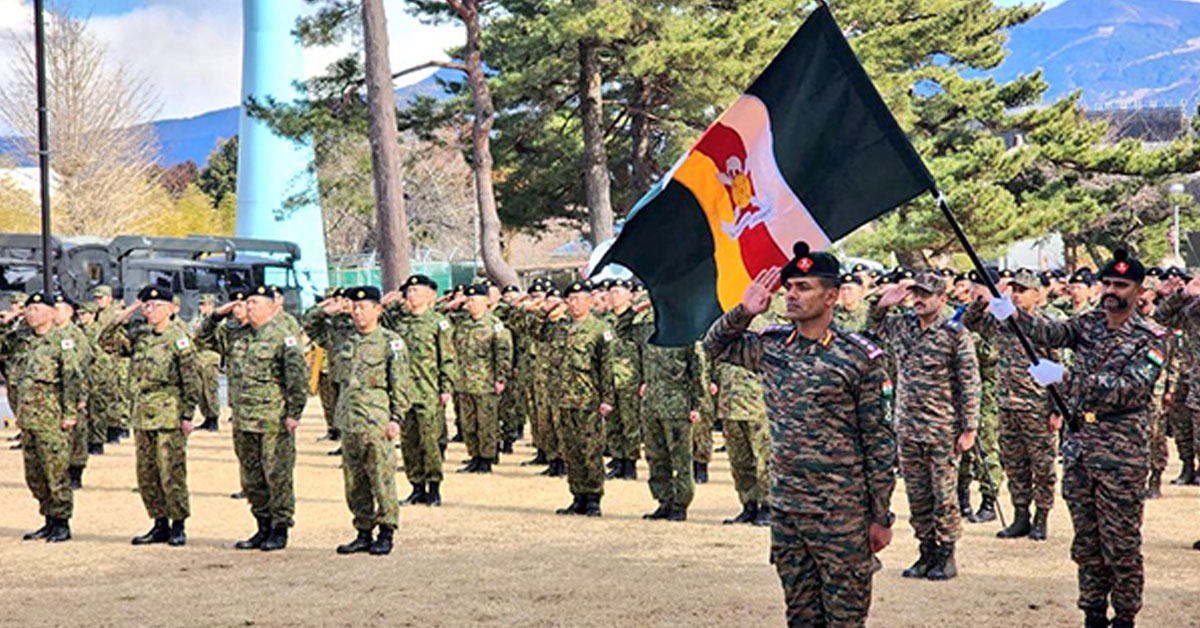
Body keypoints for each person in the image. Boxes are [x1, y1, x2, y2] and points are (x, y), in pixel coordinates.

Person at [704, 243, 895, 627]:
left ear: (832, 296)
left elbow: (878, 442)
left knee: (844, 619)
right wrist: (744, 311)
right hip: (789, 508)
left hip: (840, 512)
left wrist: (880, 515)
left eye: (803, 287)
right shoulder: (771, 347)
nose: (791, 294)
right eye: (789, 287)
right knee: (801, 617)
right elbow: (714, 347)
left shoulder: (859, 357)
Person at [1015, 250, 1165, 628]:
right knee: (1087, 540)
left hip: (1121, 451)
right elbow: (1052, 332)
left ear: (1139, 289)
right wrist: (1013, 314)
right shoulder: (1089, 324)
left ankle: (1125, 616)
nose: (1112, 291)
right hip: (1081, 446)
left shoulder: (1153, 338)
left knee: (1121, 542)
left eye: (1121, 284)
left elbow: (1130, 389)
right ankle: (1093, 612)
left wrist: (1066, 378)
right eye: (1108, 283)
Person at [870, 270, 980, 581]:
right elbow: (874, 328)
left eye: (926, 295)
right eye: (915, 294)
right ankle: (926, 551)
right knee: (918, 497)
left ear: (942, 300)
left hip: (942, 428)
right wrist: (882, 304)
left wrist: (969, 427)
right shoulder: (903, 325)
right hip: (908, 427)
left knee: (943, 496)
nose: (918, 300)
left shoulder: (954, 333)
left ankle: (946, 555)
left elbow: (969, 383)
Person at [961, 269, 1061, 540]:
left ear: (1037, 295)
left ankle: (1042, 517)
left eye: (1023, 290)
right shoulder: (1001, 321)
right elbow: (969, 323)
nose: (1017, 295)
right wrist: (982, 300)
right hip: (1006, 403)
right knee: (1015, 465)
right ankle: (1020, 516)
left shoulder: (1046, 325)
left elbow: (1059, 367)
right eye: (1014, 289)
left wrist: (1056, 409)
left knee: (1042, 466)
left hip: (1036, 406)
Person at [98, 286, 202, 547]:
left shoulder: (180, 338)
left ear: (171, 308)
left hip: (169, 413)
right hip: (142, 414)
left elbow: (191, 380)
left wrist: (187, 415)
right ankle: (159, 522)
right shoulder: (141, 337)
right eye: (147, 306)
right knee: (147, 473)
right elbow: (105, 340)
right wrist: (127, 312)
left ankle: (178, 525)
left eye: (157, 305)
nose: (151, 310)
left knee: (171, 472)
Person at [228, 285, 309, 551]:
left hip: (273, 419)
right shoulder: (238, 336)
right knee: (251, 477)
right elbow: (203, 340)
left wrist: (294, 413)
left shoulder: (283, 338)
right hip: (244, 419)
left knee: (277, 475)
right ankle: (261, 525)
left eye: (255, 303)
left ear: (271, 307)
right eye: (247, 302)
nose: (249, 307)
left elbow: (296, 379)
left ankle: (280, 527)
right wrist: (217, 315)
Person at [335, 286, 411, 556]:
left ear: (378, 310)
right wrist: (332, 309)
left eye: (363, 307)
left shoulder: (390, 341)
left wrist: (396, 418)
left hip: (376, 420)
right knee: (355, 482)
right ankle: (363, 532)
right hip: (349, 421)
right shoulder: (346, 340)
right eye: (354, 308)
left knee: (382, 478)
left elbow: (400, 384)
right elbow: (314, 325)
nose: (357, 312)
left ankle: (386, 531)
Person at [616, 297, 703, 522]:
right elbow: (621, 330)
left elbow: (697, 371)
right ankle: (663, 501)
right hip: (651, 405)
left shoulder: (686, 330)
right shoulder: (647, 331)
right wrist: (637, 308)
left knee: (681, 459)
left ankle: (680, 504)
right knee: (656, 457)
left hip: (677, 405)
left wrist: (697, 405)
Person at [8, 293, 82, 543]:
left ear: (52, 312)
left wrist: (70, 414)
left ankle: (62, 522)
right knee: (35, 475)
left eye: (37, 309)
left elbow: (72, 380)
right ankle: (48, 519)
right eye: (28, 310)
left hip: (53, 418)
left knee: (56, 472)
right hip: (29, 419)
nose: (31, 314)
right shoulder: (24, 342)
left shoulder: (63, 342)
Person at [383, 274, 456, 506]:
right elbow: (379, 318)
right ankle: (416, 486)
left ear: (430, 295)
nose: (410, 294)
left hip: (428, 390)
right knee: (409, 442)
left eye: (416, 290)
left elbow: (447, 358)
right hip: (404, 392)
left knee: (430, 441)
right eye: (408, 290)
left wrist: (446, 387)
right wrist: (391, 302)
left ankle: (434, 488)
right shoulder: (399, 321)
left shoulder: (438, 323)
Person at [547, 281, 613, 517]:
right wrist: (548, 311)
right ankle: (578, 496)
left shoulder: (599, 329)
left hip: (588, 400)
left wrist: (607, 398)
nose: (573, 303)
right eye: (570, 299)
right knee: (570, 451)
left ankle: (594, 497)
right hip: (564, 399)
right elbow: (532, 328)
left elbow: (606, 367)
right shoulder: (560, 327)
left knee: (590, 450)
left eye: (578, 298)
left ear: (590, 301)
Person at [450, 284, 512, 474]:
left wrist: (501, 378)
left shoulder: (495, 325)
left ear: (486, 301)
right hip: (464, 381)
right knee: (468, 423)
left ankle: (487, 458)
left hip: (486, 382)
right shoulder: (461, 324)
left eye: (474, 300)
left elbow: (503, 353)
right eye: (467, 301)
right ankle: (474, 456)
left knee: (486, 423)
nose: (469, 304)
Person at [190, 294, 222, 432]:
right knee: (200, 390)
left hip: (210, 357)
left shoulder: (217, 323)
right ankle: (207, 417)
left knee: (210, 389)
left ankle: (214, 418)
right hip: (198, 357)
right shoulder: (197, 320)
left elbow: (221, 341)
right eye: (201, 304)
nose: (202, 307)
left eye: (206, 304)